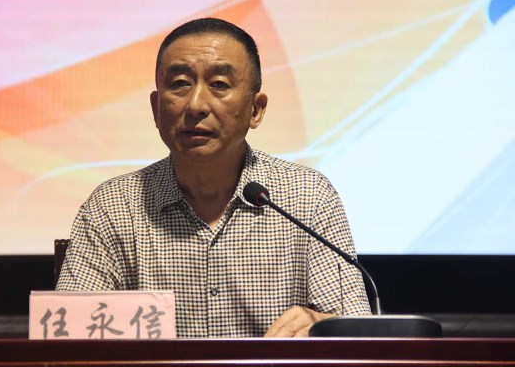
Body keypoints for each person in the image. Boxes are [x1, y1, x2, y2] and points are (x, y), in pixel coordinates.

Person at [56, 17, 371, 337]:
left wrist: (327, 327)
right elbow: (69, 338)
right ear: (156, 107)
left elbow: (359, 332)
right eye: (180, 83)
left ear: (256, 109)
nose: (196, 105)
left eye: (219, 84)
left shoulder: (307, 197)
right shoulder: (114, 206)